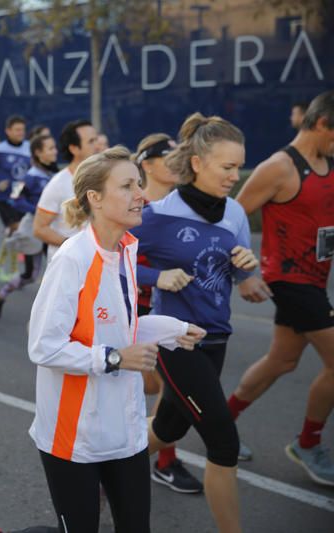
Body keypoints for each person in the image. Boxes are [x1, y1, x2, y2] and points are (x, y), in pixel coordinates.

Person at [29, 146, 205, 533]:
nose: (140, 194)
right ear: (95, 197)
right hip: (75, 437)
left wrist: (173, 329)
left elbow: (119, 328)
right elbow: (43, 346)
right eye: (127, 186)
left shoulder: (125, 248)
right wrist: (112, 359)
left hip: (125, 431)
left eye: (139, 184)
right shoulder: (73, 258)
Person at [132, 113, 259, 533]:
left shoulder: (236, 212)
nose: (235, 176)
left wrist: (247, 266)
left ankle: (110, 468)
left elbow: (241, 278)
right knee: (223, 444)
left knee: (169, 426)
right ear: (199, 163)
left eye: (238, 166)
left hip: (217, 337)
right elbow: (111, 264)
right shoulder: (159, 215)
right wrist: (157, 277)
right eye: (227, 167)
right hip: (176, 340)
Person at [227, 90, 334, 486]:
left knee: (282, 361)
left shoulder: (328, 161)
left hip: (317, 280)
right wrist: (243, 273)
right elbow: (233, 218)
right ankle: (307, 442)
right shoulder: (279, 167)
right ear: (322, 123)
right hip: (288, 279)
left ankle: (223, 420)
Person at [132, 133, 204, 494]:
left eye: (180, 153)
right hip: (131, 309)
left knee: (172, 387)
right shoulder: (133, 204)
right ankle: (155, 457)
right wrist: (156, 277)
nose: (178, 159)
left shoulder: (182, 207)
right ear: (147, 164)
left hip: (167, 311)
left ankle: (161, 456)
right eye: (169, 154)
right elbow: (114, 259)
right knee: (164, 387)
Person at [0, 133, 58, 319]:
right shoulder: (31, 177)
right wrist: (39, 210)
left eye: (55, 147)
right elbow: (15, 199)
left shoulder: (54, 175)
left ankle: (53, 314)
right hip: (34, 230)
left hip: (53, 230)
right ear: (38, 153)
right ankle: (0, 295)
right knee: (30, 274)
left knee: (58, 270)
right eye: (50, 148)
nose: (55, 152)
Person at [33, 119, 100, 261]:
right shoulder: (58, 184)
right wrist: (72, 246)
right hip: (68, 267)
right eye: (91, 141)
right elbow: (39, 228)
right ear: (74, 148)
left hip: (99, 263)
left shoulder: (105, 178)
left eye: (97, 139)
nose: (98, 145)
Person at [0, 115, 30, 229]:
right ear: (8, 131)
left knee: (23, 232)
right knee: (15, 228)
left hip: (24, 196)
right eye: (17, 130)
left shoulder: (29, 147)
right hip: (5, 198)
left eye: (23, 130)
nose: (21, 133)